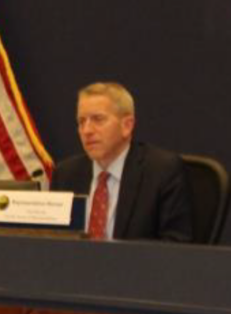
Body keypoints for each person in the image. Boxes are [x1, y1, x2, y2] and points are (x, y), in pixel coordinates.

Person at [50, 81, 192, 242]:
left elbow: (176, 244)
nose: (87, 130)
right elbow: (54, 242)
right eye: (81, 121)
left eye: (98, 119)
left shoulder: (162, 171)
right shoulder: (66, 174)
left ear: (127, 126)